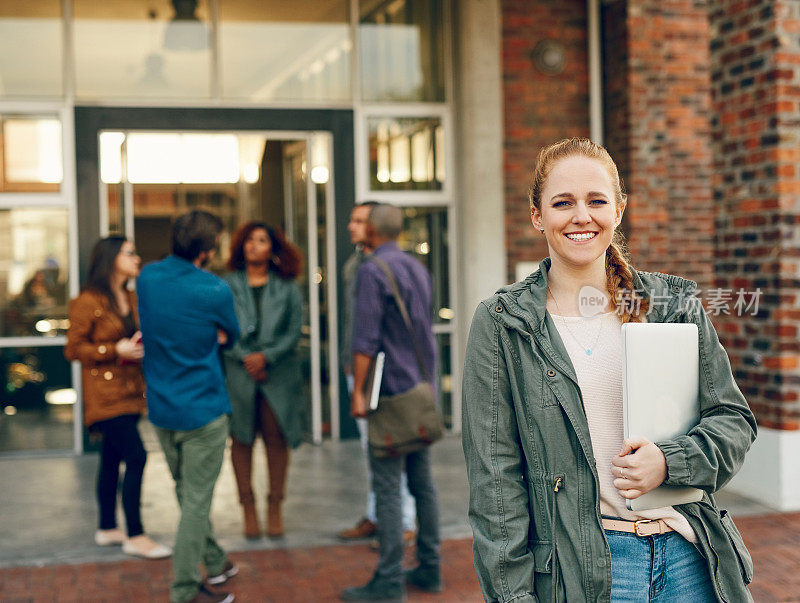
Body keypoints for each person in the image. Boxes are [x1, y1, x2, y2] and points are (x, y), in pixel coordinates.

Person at [462, 137, 757, 602]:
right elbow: (495, 482)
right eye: (563, 202)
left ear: (618, 210)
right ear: (537, 215)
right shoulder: (504, 324)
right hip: (587, 571)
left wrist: (668, 461)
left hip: (689, 559)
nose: (581, 216)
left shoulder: (671, 304)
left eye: (596, 201)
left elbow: (734, 422)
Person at [137, 211, 241, 603]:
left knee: (187, 492)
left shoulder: (147, 278)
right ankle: (183, 590)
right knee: (196, 501)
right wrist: (211, 335)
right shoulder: (213, 289)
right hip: (203, 410)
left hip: (162, 409)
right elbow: (231, 335)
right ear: (207, 249)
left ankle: (215, 561)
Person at [341, 203, 442, 601]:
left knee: (386, 485)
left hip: (388, 392)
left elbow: (365, 340)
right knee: (422, 483)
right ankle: (430, 569)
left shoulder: (371, 271)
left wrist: (358, 392)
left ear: (373, 231)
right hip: (419, 388)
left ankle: (387, 582)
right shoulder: (417, 267)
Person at [65, 236, 171, 560]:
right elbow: (73, 349)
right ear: (112, 258)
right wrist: (113, 349)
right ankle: (136, 535)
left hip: (130, 390)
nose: (137, 258)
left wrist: (139, 348)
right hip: (104, 397)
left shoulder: (131, 297)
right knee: (137, 456)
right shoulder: (87, 301)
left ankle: (108, 527)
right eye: (130, 253)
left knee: (111, 458)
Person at [338, 202, 416, 546]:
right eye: (352, 219)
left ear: (375, 227)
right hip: (359, 369)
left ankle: (404, 524)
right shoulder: (354, 265)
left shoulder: (391, 266)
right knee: (371, 452)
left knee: (393, 450)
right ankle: (376, 515)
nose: (351, 227)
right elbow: (354, 324)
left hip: (387, 373)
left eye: (359, 221)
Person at [222, 222, 305, 539]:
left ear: (274, 248)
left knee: (275, 439)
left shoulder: (287, 286)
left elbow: (294, 332)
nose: (254, 246)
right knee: (241, 440)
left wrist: (265, 357)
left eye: (262, 240)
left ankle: (274, 506)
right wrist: (246, 356)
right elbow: (222, 329)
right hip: (239, 372)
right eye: (249, 241)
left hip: (278, 373)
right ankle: (248, 508)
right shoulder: (228, 285)